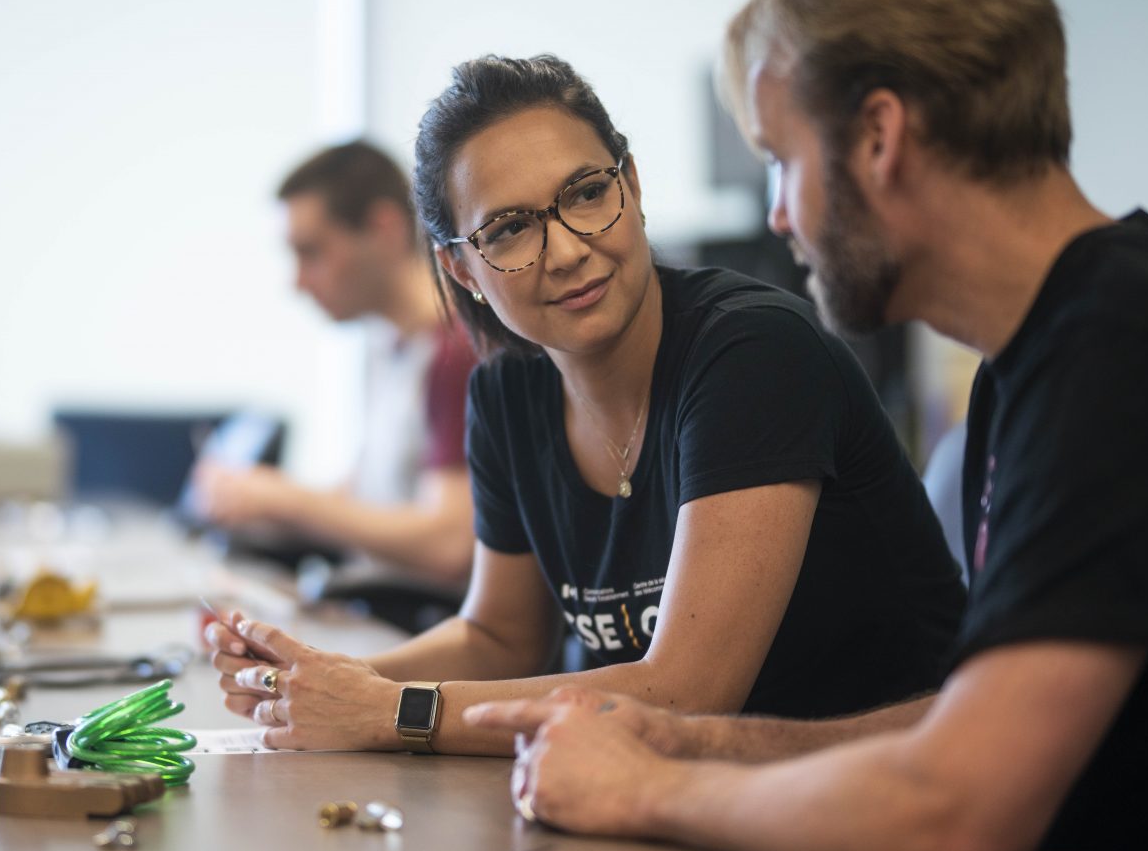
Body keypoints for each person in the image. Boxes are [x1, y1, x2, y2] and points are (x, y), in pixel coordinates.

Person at [467, 0, 1148, 851]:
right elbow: (962, 723)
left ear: (879, 139)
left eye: (780, 159)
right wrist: (685, 740)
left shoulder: (1123, 346)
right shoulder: (1033, 362)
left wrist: (647, 787)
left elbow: (954, 815)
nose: (778, 215)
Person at [206, 55, 965, 756]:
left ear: (631, 185)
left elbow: (686, 695)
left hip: (877, 794)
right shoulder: (506, 392)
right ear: (461, 270)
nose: (567, 249)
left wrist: (388, 711)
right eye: (508, 229)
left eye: (587, 194)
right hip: (679, 796)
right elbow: (500, 637)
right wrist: (332, 680)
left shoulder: (752, 354)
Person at [192, 142, 477, 587]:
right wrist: (257, 502)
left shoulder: (456, 353)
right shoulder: (389, 347)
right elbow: (366, 501)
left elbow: (449, 543)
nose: (298, 281)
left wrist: (289, 500)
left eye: (312, 252)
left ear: (385, 230)